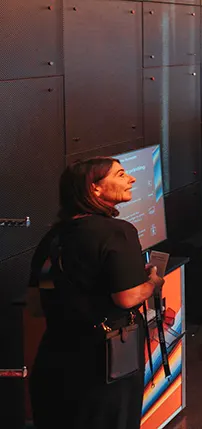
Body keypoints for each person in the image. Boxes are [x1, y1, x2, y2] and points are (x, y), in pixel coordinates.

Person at [27, 157, 165, 429]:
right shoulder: (118, 232)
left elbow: (36, 304)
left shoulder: (52, 238)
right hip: (105, 366)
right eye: (121, 174)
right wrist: (152, 283)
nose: (132, 179)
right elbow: (126, 297)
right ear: (95, 188)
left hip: (55, 363)